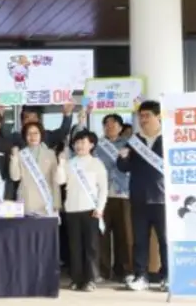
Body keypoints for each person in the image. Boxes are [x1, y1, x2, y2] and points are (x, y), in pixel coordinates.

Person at [117, 100, 167, 292]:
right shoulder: (134, 141)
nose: (143, 120)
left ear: (158, 116)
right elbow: (123, 168)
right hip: (139, 198)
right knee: (139, 241)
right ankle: (141, 276)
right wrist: (123, 157)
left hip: (163, 198)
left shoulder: (169, 138)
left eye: (147, 116)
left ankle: (168, 276)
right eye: (141, 116)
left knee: (165, 240)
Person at [55, 130, 108, 292]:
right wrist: (61, 164)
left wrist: (100, 208)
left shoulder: (97, 163)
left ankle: (90, 279)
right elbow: (60, 181)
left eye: (83, 142)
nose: (79, 146)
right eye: (77, 142)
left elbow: (103, 188)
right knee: (74, 246)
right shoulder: (70, 163)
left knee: (91, 246)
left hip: (90, 209)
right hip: (72, 209)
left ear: (91, 145)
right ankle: (76, 279)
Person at [95, 114, 133, 281]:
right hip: (101, 195)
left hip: (123, 193)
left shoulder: (129, 144)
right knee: (102, 234)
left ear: (120, 127)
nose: (109, 127)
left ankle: (124, 270)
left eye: (113, 124)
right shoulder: (97, 145)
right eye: (107, 124)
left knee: (124, 234)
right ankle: (103, 271)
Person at [9, 122, 61, 215]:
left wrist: (56, 202)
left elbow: (55, 180)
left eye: (36, 133)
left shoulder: (50, 154)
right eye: (29, 133)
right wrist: (14, 158)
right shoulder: (20, 154)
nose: (32, 136)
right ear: (25, 136)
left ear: (41, 135)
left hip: (46, 201)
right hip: (27, 201)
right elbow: (15, 177)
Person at [2, 102, 75, 148]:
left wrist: (67, 114)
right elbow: (2, 136)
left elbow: (63, 132)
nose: (31, 121)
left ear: (39, 121)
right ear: (22, 121)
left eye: (34, 117)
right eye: (27, 117)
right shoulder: (15, 138)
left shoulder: (46, 136)